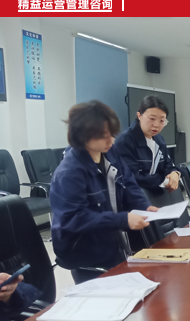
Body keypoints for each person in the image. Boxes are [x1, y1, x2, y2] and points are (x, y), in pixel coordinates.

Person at [50, 101, 156, 284]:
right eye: (103, 137)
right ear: (82, 136)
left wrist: (144, 206)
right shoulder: (69, 173)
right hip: (84, 252)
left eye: (112, 135)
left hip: (111, 240)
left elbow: (128, 182)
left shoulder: (110, 152)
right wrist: (123, 219)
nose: (111, 141)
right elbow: (73, 219)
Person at [115, 96, 180, 192]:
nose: (156, 125)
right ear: (139, 116)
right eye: (152, 118)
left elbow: (168, 165)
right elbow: (133, 176)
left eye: (162, 121)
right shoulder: (125, 141)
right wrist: (164, 180)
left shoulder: (159, 140)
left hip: (154, 194)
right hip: (132, 195)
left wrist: (175, 173)